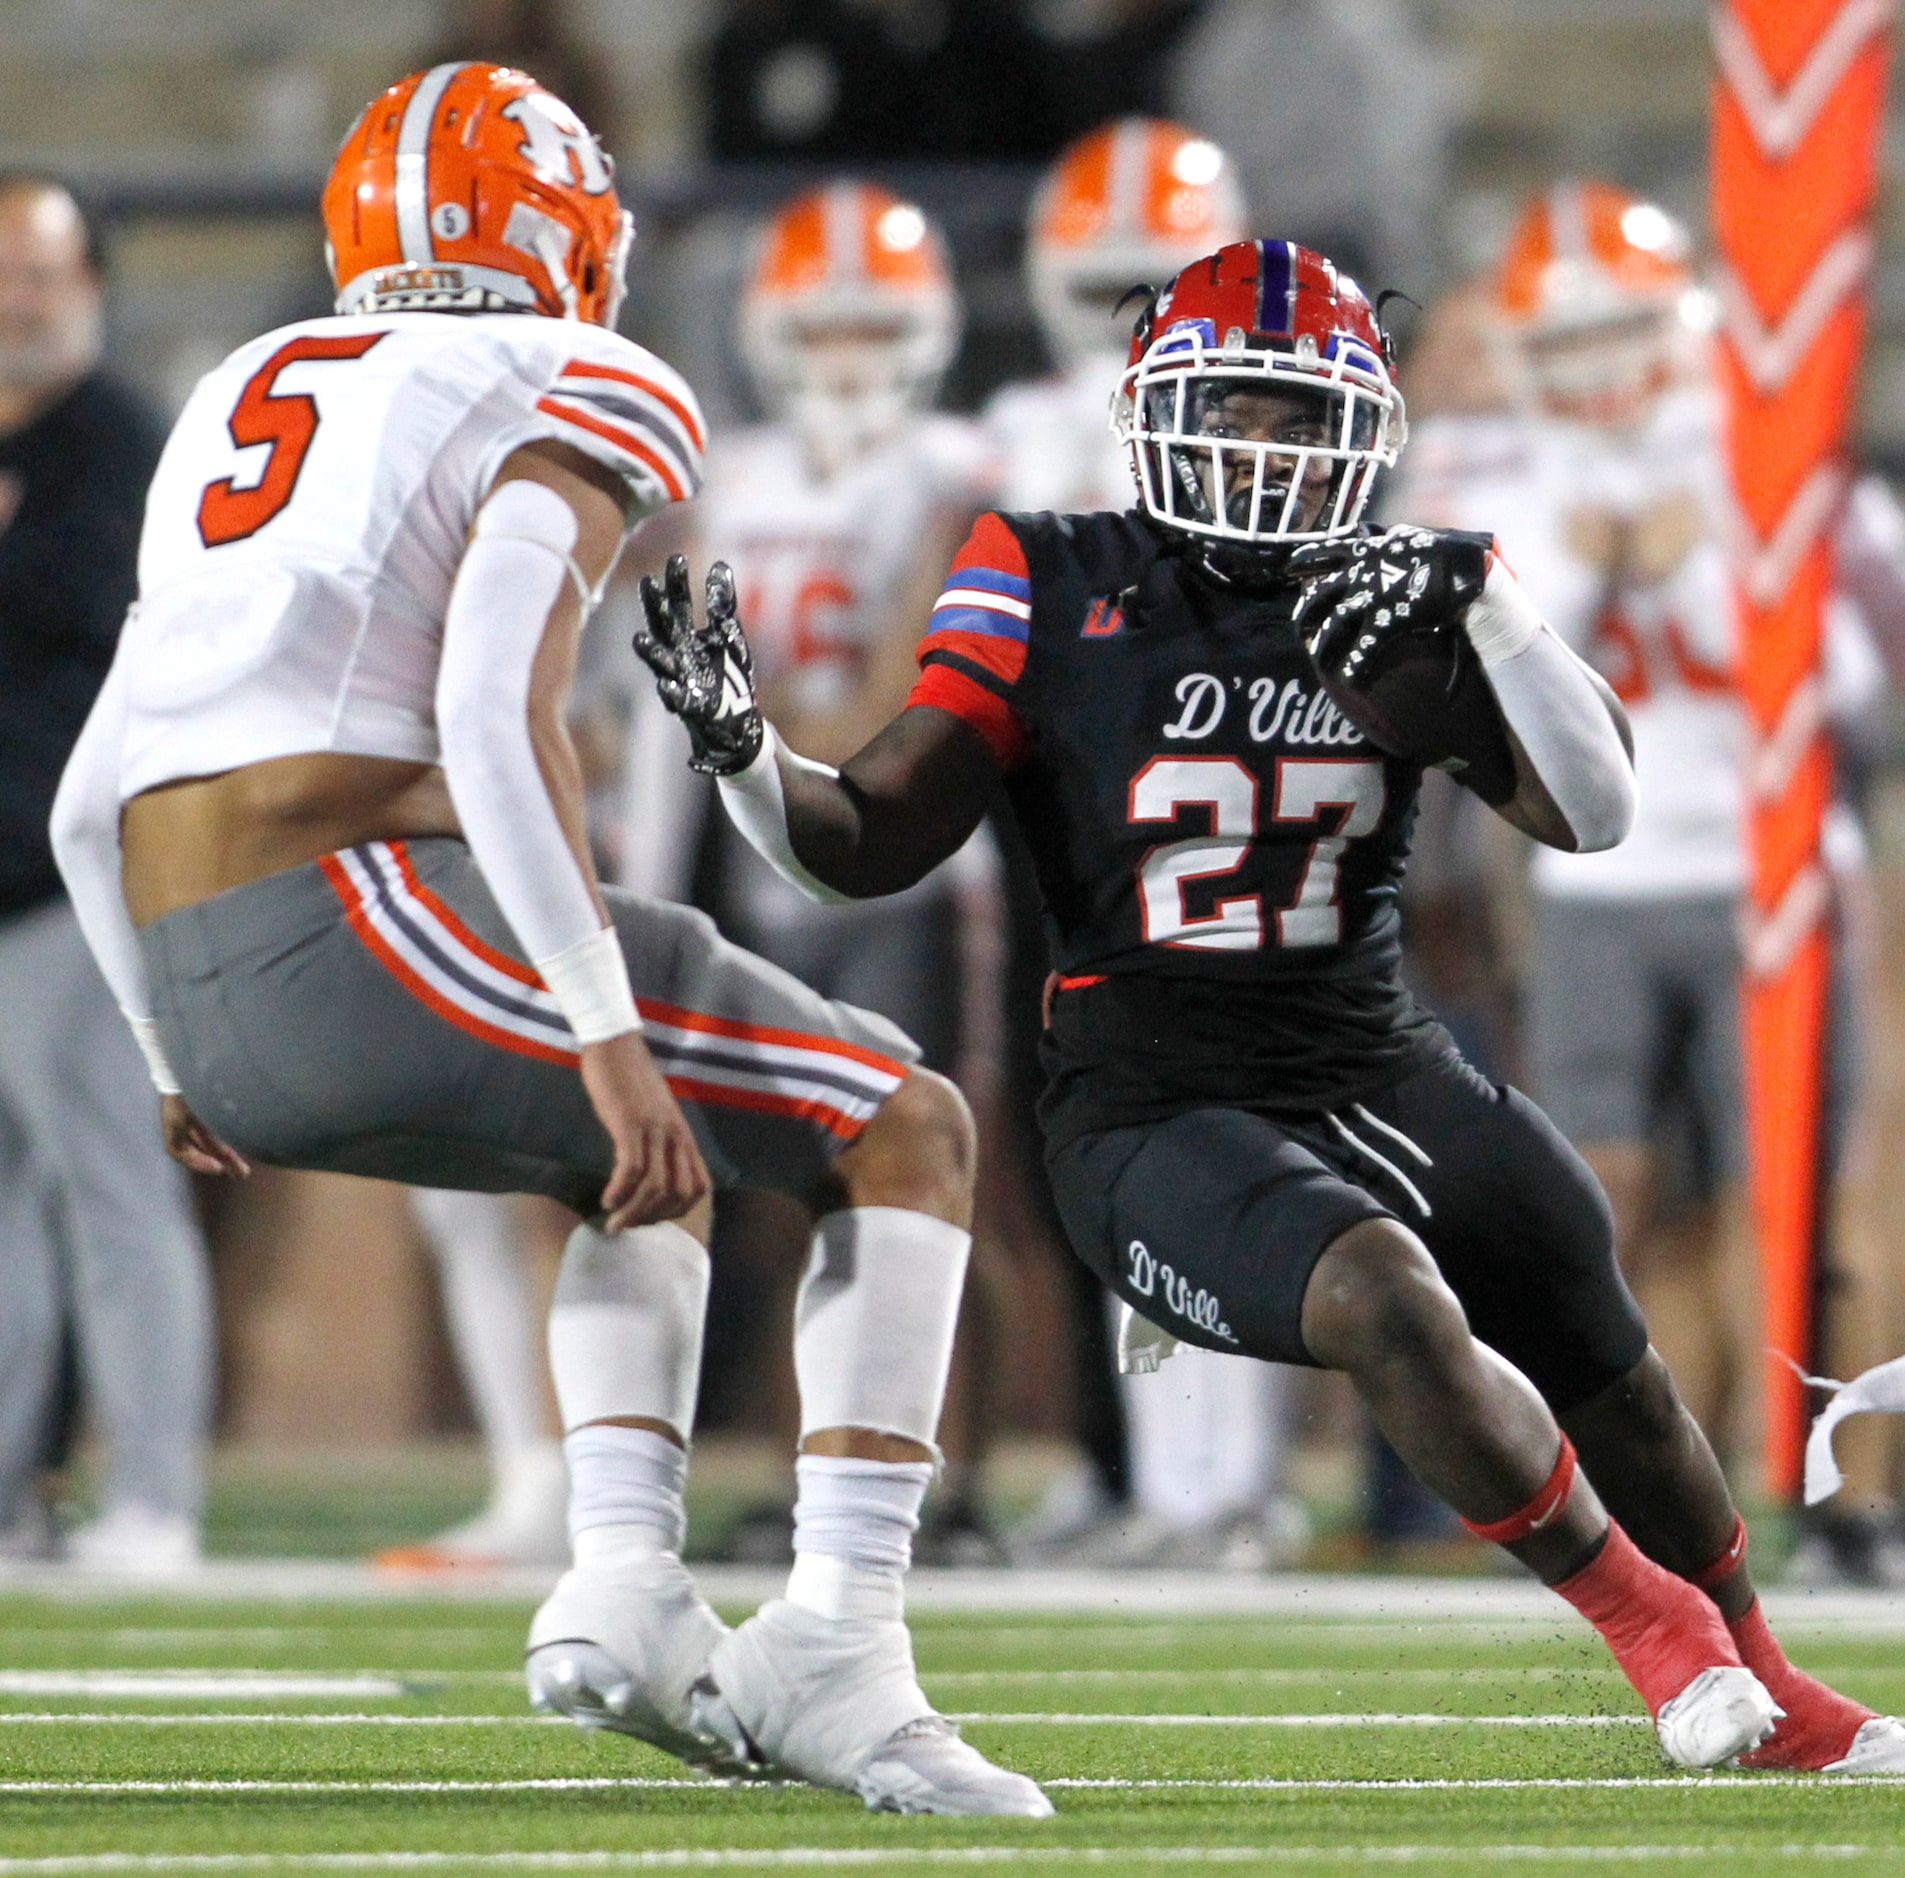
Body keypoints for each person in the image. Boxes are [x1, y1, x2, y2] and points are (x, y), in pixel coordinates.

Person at [638, 237, 1905, 1776]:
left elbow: (1592, 811)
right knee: (1378, 1288)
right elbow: (879, 836)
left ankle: (1771, 1678)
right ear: (1157, 409)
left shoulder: (1393, 587)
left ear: (1358, 436)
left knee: (1589, 1305)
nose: (1263, 448)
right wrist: (750, 759)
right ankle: (1661, 1640)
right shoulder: (1045, 568)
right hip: (1145, 1100)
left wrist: (1492, 608)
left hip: (1371, 1060)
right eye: (1234, 409)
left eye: (1299, 420)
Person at [48, 63, 1047, 1818]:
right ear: (564, 230)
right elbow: (495, 711)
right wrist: (600, 1029)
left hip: (199, 967)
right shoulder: (575, 375)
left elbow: (84, 794)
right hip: (358, 913)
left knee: (640, 1166)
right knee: (904, 1125)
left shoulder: (236, 387)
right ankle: (838, 1647)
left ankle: (627, 1590)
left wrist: (161, 1050)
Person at [1392, 186, 1761, 1480]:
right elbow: (1476, 696)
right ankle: (1619, 1470)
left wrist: (1694, 558)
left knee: (1754, 1199)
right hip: (1581, 874)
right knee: (1600, 1196)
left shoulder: (1742, 441)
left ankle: (1758, 1468)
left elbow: (1807, 669)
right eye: (1564, 341)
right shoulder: (1493, 473)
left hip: (1749, 866)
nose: (1595, 372)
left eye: (1619, 333)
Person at [983, 118, 1298, 1566]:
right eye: (1106, 284)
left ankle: (1230, 1485)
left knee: (1236, 1154)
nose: (1126, 315)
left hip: (1222, 819)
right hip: (1071, 827)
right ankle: (1134, 1473)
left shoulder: (1278, 420)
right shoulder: (1016, 433)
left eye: (1150, 282)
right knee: (1090, 1167)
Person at [686, 180, 1010, 1559]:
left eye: (874, 328)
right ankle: (794, 1473)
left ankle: (968, 1479)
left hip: (921, 867)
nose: (846, 361)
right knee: (773, 1201)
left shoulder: (956, 469)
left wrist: (777, 749)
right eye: (821, 332)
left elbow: (919, 677)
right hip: (763, 866)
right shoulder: (727, 475)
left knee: (941, 1174)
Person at [0, 175, 214, 1570]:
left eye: (42, 275)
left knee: (113, 1194)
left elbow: (107, 616)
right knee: (7, 1212)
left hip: (70, 877)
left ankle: (153, 1491)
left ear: (91, 290)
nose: (18, 301)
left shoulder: (125, 441)